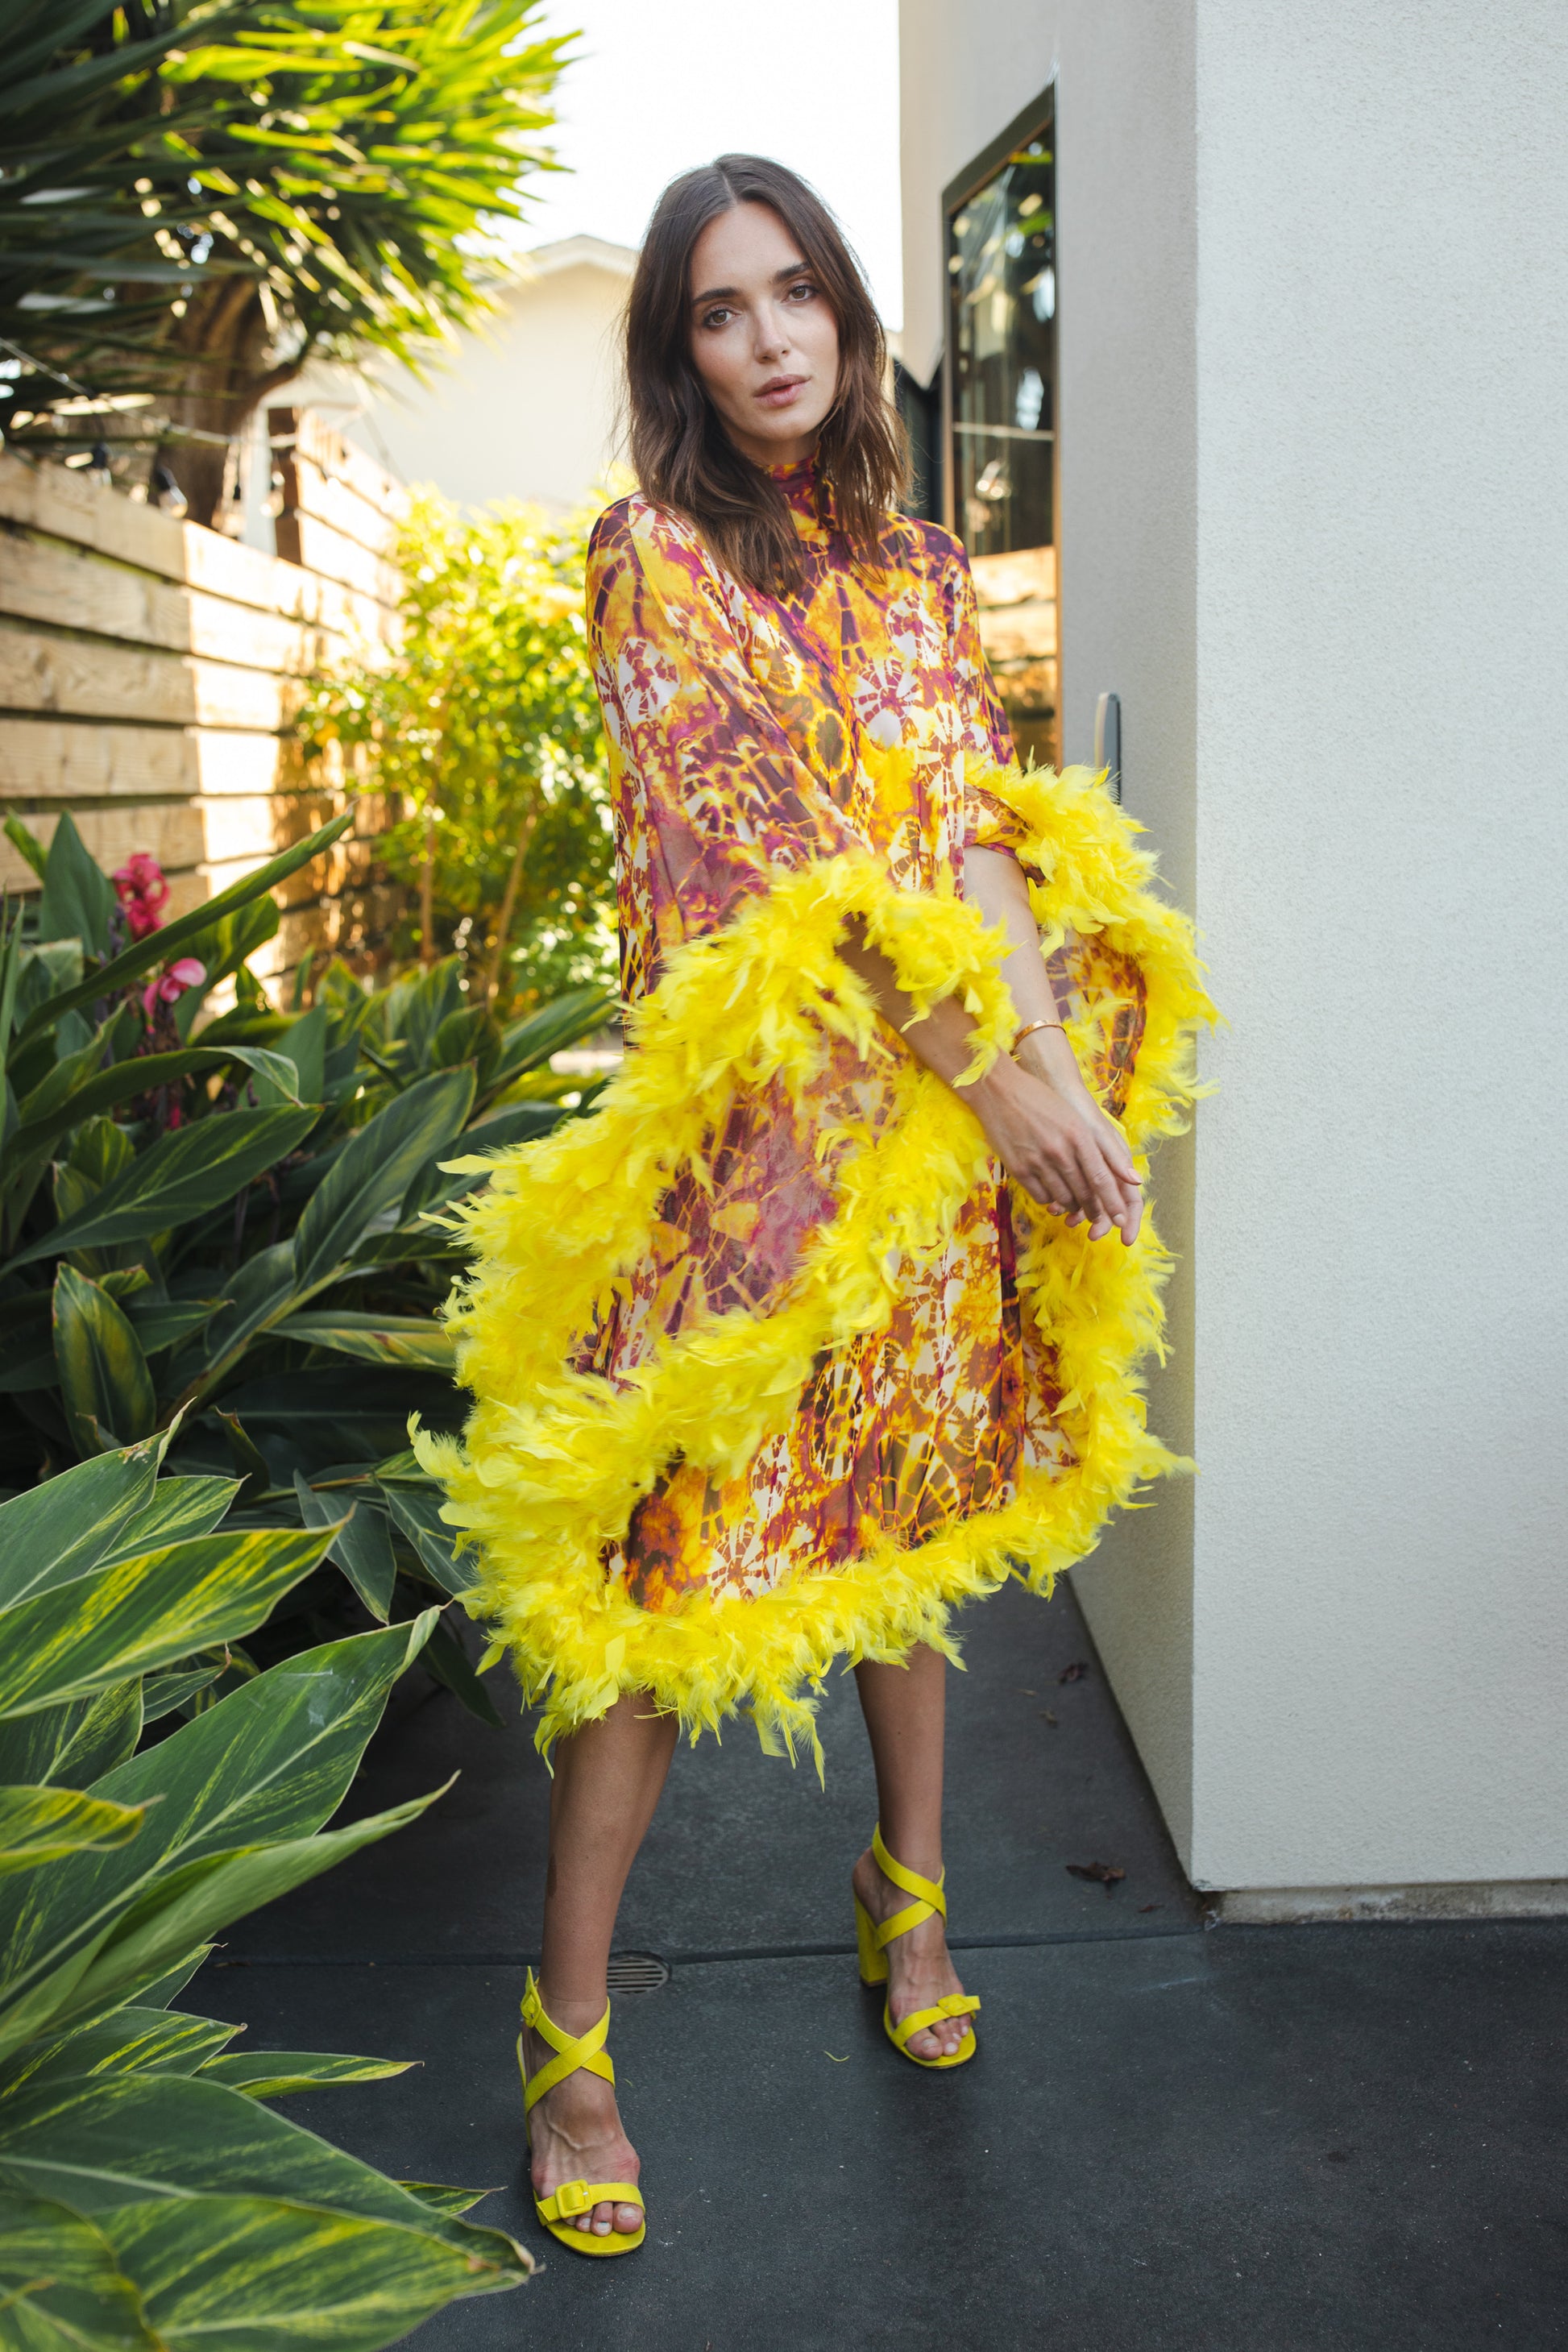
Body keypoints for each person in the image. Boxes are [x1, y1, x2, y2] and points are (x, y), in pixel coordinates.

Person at [421, 154, 1211, 2257]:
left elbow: (966, 863)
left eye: (795, 295)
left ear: (851, 319)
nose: (767, 339)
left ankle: (911, 1892)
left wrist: (1051, 1112)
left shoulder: (928, 571)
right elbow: (775, 887)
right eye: (716, 308)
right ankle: (567, 2034)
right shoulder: (653, 563)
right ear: (675, 350)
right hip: (751, 1162)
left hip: (928, 1160)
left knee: (909, 1534)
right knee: (651, 1605)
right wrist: (993, 1074)